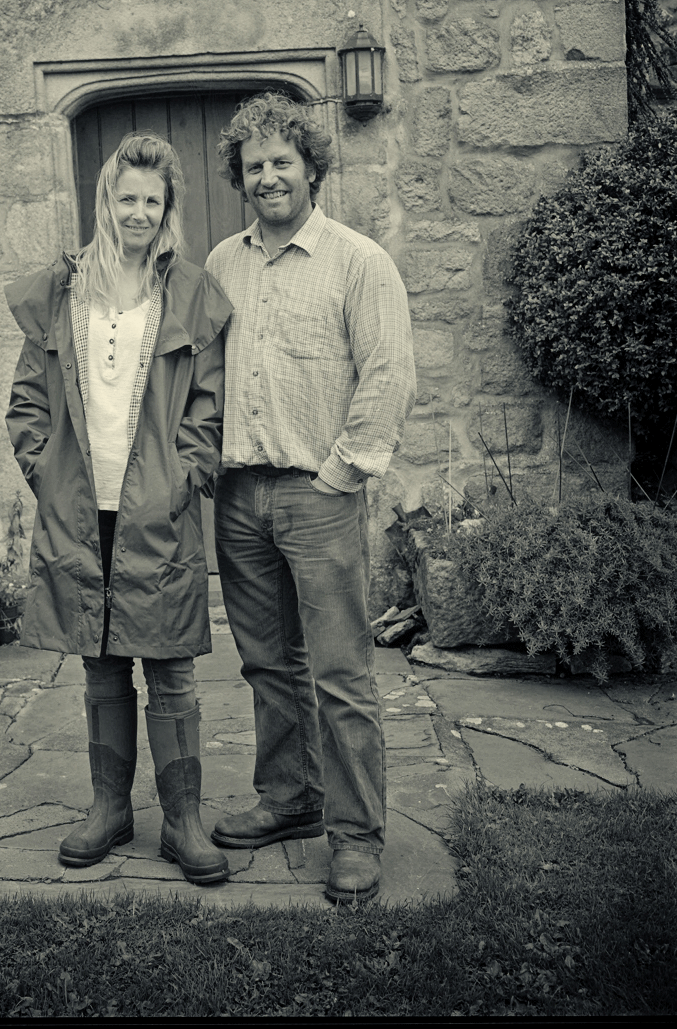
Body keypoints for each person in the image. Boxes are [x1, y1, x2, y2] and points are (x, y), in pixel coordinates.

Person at [204, 91, 417, 905]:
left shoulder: (358, 261)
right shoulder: (222, 264)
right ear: (239, 177)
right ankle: (290, 798)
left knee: (340, 674)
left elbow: (388, 373)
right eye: (253, 165)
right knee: (267, 663)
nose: (267, 176)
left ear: (309, 168)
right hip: (238, 496)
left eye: (281, 162)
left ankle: (355, 837)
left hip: (317, 495)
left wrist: (340, 474)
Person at [5, 131, 233, 885]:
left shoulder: (189, 292)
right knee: (100, 666)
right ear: (106, 201)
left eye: (152, 201)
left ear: (168, 210)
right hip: (82, 510)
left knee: (170, 668)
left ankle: (182, 821)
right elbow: (27, 402)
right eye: (127, 198)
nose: (139, 212)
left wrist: (183, 479)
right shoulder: (61, 289)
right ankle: (109, 809)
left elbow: (207, 407)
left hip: (158, 510)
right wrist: (47, 475)